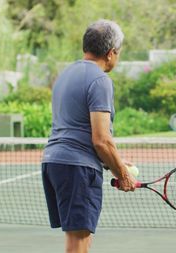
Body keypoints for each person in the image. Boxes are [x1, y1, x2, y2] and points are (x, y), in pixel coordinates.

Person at [41, 19, 136, 253]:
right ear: (111, 53)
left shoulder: (64, 75)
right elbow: (101, 140)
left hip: (54, 162)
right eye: (119, 53)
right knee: (78, 244)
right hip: (77, 168)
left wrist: (117, 164)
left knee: (80, 238)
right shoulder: (100, 80)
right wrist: (122, 175)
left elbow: (78, 128)